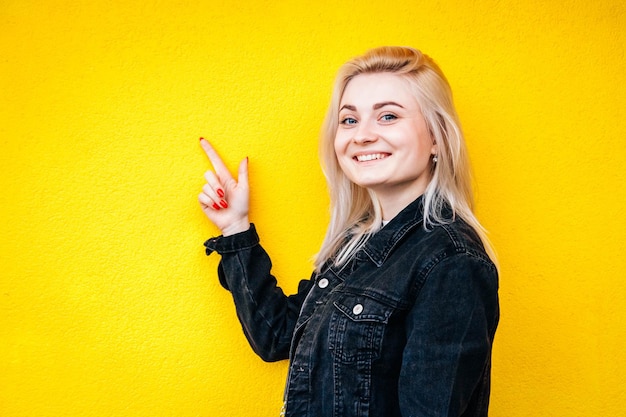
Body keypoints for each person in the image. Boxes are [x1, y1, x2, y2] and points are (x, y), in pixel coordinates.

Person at [198, 46, 499, 417]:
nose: (362, 135)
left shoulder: (452, 263)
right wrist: (234, 228)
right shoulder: (356, 245)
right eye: (349, 120)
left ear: (436, 138)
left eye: (388, 116)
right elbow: (276, 336)